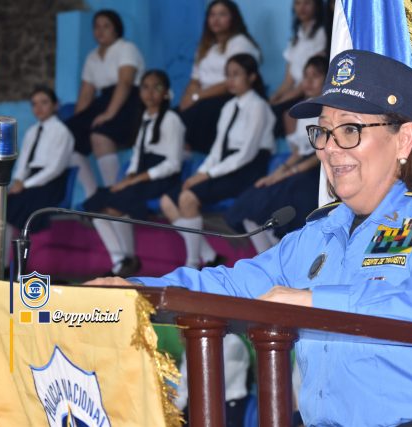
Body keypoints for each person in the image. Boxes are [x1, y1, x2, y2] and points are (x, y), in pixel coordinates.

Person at [89, 49, 412, 426]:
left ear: (404, 139)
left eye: (350, 130)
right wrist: (136, 290)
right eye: (323, 132)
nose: (330, 149)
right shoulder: (320, 233)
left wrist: (314, 302)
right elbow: (231, 285)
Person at [160, 53, 274, 270]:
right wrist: (200, 173)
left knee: (187, 198)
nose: (230, 80)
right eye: (227, 75)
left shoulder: (258, 106)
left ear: (251, 77)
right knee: (168, 200)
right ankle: (209, 256)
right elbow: (216, 150)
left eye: (236, 74)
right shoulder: (229, 107)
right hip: (224, 166)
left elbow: (246, 154)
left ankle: (193, 263)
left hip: (247, 169)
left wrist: (207, 175)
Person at [83, 70, 185, 276]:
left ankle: (127, 260)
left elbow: (173, 164)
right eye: (145, 87)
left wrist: (135, 180)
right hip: (140, 178)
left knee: (112, 206)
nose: (150, 93)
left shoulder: (172, 119)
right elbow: (137, 155)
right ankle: (120, 262)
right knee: (96, 204)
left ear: (166, 92)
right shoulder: (144, 118)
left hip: (160, 179)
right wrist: (129, 177)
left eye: (156, 87)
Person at [225, 55, 328, 253]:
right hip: (299, 169)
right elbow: (299, 152)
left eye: (315, 76)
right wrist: (276, 174)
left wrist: (290, 172)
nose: (308, 82)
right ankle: (266, 257)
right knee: (252, 199)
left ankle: (282, 255)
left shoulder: (329, 110)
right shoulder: (304, 108)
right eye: (305, 76)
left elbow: (319, 154)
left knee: (287, 197)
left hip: (318, 172)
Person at [0, 86, 74, 278]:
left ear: (55, 105)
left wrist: (24, 185)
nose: (39, 108)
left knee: (10, 208)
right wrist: (18, 180)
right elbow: (23, 163)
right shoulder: (32, 132)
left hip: (48, 187)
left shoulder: (63, 132)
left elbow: (55, 169)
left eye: (44, 102)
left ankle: (2, 265)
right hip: (27, 183)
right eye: (34, 104)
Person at [66, 9, 145, 199]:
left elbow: (125, 83)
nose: (100, 31)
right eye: (96, 27)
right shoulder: (92, 56)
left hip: (129, 102)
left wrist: (109, 114)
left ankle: (115, 194)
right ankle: (92, 194)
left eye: (106, 26)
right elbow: (86, 94)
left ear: (116, 29)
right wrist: (78, 123)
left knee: (101, 134)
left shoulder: (126, 48)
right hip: (103, 101)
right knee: (66, 136)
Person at [178, 0, 260, 154]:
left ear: (233, 18)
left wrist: (197, 97)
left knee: (201, 111)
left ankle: (197, 156)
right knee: (173, 115)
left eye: (222, 15)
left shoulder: (240, 43)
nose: (216, 19)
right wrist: (187, 99)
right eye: (212, 15)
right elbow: (195, 80)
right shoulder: (206, 46)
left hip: (227, 95)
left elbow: (233, 81)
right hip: (202, 97)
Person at [269, 0, 326, 137]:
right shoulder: (296, 38)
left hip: (308, 90)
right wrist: (275, 97)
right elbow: (288, 80)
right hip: (297, 90)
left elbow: (310, 77)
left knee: (280, 113)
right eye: (298, 3)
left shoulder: (321, 34)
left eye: (307, 3)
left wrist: (281, 101)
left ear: (316, 6)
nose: (302, 8)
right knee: (267, 107)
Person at [175, 334, 250, 427]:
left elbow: (216, 385)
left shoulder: (233, 343)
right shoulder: (191, 346)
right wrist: (173, 412)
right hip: (197, 405)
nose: (180, 335)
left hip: (229, 406)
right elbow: (183, 388)